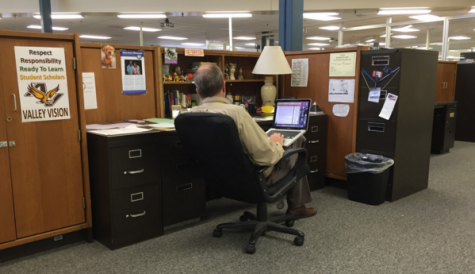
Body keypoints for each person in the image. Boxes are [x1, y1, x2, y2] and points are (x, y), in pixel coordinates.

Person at [190, 63, 316, 217]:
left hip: (221, 179)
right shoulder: (236, 113)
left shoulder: (190, 115)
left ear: (197, 90)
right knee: (297, 139)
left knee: (278, 142)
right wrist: (276, 143)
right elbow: (266, 157)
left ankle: (297, 204)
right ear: (224, 85)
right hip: (255, 178)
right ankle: (296, 206)